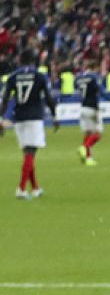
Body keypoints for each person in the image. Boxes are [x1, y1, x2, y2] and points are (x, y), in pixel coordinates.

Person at [3, 49, 56, 198]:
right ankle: (21, 189)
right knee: (30, 153)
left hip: (19, 117)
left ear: (20, 60)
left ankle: (35, 188)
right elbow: (48, 97)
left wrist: (1, 117)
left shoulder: (13, 76)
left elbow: (6, 98)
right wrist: (54, 115)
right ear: (34, 61)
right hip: (34, 117)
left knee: (28, 153)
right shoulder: (39, 76)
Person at [75, 61, 106, 165]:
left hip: (83, 108)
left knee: (87, 134)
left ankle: (88, 159)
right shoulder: (93, 77)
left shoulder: (78, 78)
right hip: (92, 108)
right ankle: (84, 147)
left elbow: (76, 87)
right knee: (97, 135)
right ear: (94, 67)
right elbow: (101, 91)